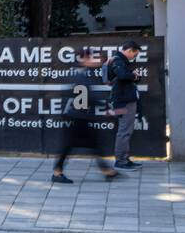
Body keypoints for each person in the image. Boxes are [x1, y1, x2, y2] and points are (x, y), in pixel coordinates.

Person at [52, 49, 119, 184]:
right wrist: (106, 107)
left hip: (78, 116)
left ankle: (107, 171)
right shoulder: (81, 75)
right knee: (72, 145)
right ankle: (57, 172)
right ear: (82, 59)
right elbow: (88, 97)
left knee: (89, 144)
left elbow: (71, 94)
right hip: (77, 117)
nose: (94, 61)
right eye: (90, 58)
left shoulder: (79, 73)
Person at [105, 40, 142, 168]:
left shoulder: (119, 60)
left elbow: (125, 77)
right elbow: (122, 75)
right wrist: (134, 75)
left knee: (125, 130)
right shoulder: (118, 60)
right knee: (124, 131)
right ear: (129, 50)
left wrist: (134, 76)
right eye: (135, 54)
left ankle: (124, 159)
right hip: (123, 101)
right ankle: (121, 161)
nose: (134, 57)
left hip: (123, 99)